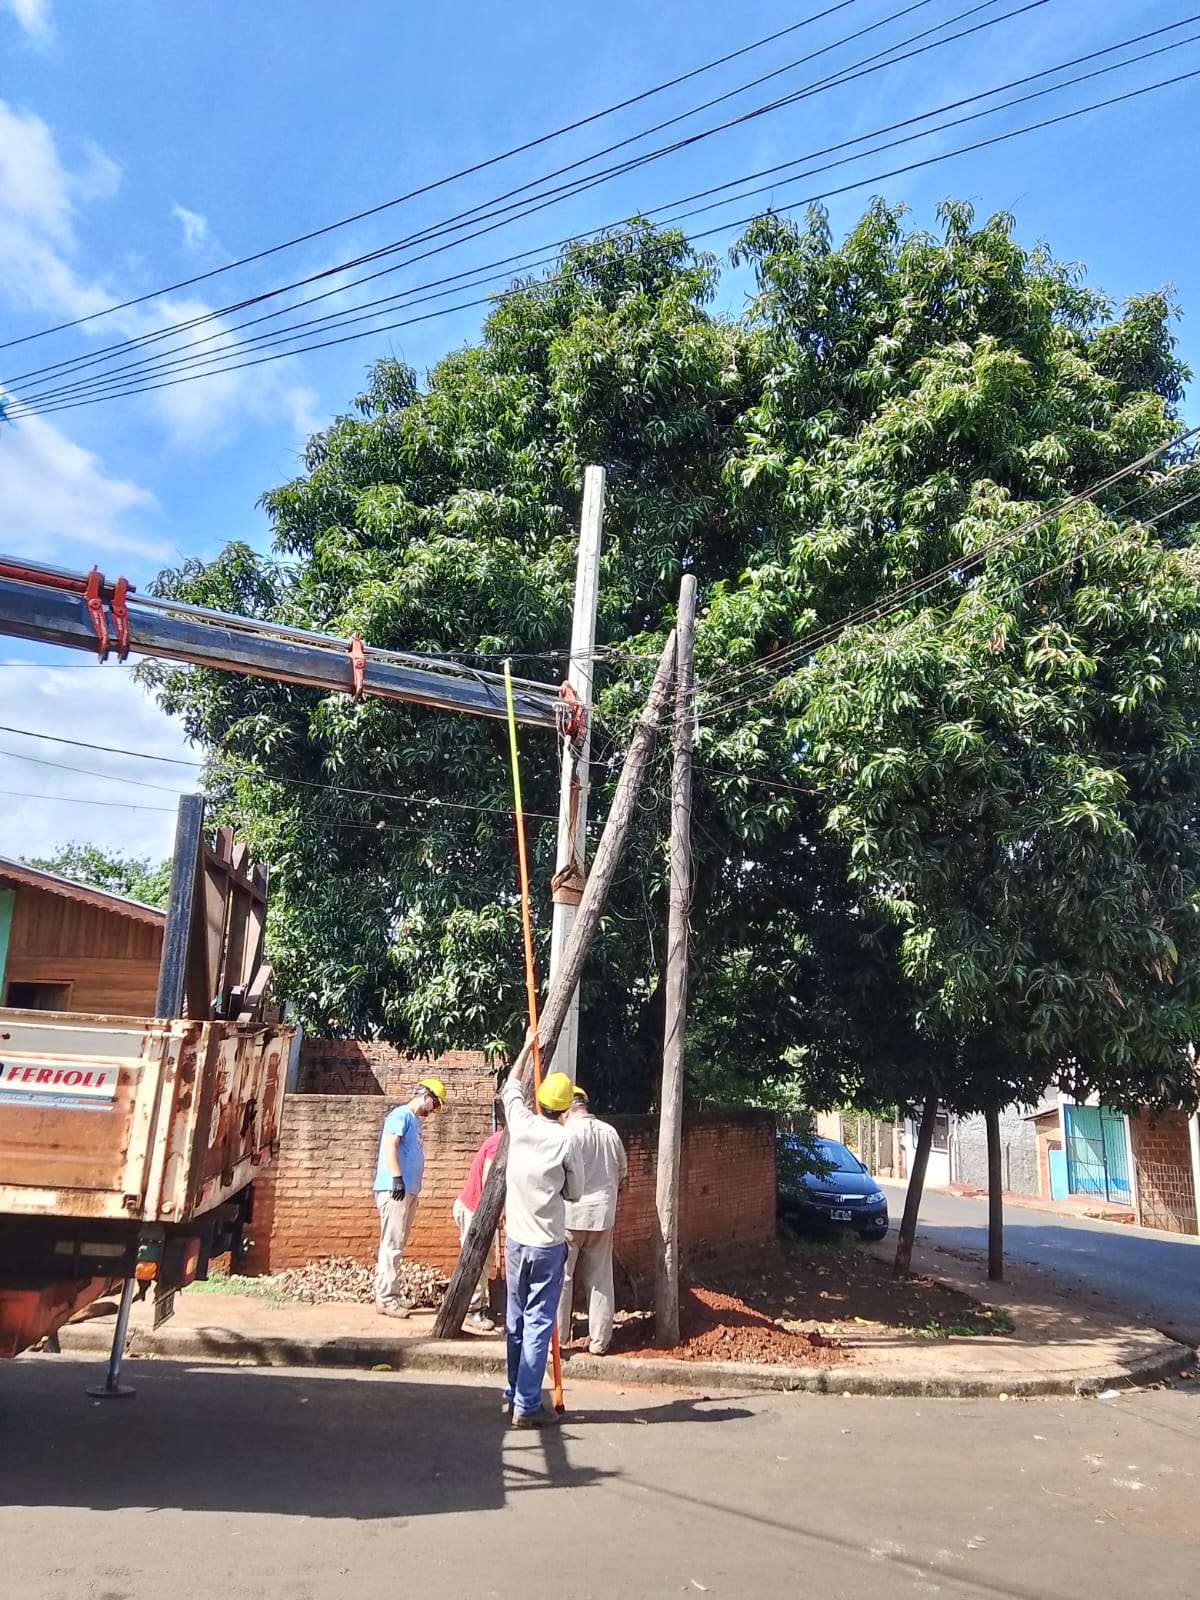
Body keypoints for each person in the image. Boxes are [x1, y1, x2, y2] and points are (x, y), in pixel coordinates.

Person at [501, 1067, 584, 1428]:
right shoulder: (566, 1141)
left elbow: (511, 1087)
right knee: (537, 1325)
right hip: (548, 1244)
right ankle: (526, 1404)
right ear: (565, 1109)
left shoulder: (520, 1122)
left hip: (516, 1242)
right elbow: (576, 1191)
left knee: (516, 1321)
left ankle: (513, 1392)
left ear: (541, 1101)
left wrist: (526, 1044)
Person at [557, 1087, 628, 1355]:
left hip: (569, 1216)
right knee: (600, 1278)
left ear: (567, 1108)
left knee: (562, 1278)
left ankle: (559, 1339)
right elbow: (622, 1173)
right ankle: (599, 1341)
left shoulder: (566, 1134)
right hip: (602, 1216)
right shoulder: (610, 1132)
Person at [372, 1076, 445, 1317]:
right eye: (435, 1104)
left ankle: (389, 1295)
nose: (433, 1111)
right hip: (396, 1190)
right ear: (426, 1096)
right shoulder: (401, 1114)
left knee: (396, 1244)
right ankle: (387, 1298)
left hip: (406, 1190)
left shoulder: (412, 1120)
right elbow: (390, 1145)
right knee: (392, 1244)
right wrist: (396, 1178)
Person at [453, 1106, 505, 1332]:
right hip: (475, 1209)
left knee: (486, 1259)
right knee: (476, 1259)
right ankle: (472, 1310)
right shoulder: (499, 1143)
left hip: (481, 1210)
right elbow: (488, 1181)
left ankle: (481, 1304)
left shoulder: (506, 1142)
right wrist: (497, 1213)